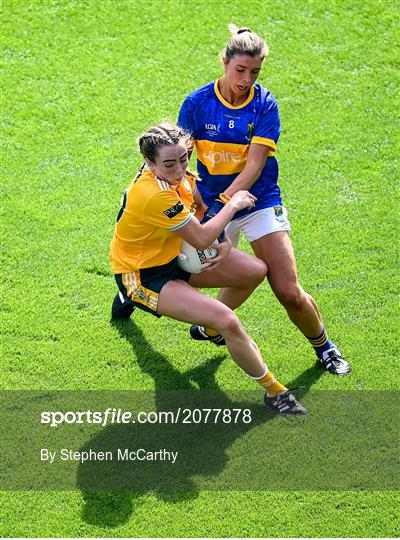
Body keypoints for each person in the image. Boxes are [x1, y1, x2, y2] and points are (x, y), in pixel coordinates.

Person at [177, 24, 351, 376]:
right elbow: (179, 162)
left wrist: (227, 204)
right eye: (240, 70)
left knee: (287, 289)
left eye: (254, 72)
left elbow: (255, 166)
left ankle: (325, 348)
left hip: (257, 200)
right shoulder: (197, 104)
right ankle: (147, 298)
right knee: (194, 271)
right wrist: (200, 203)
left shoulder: (264, 105)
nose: (246, 79)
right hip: (213, 204)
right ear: (224, 62)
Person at [109, 123, 307, 414]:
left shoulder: (179, 176)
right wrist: (234, 204)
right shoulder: (153, 194)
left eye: (183, 158)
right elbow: (201, 237)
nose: (179, 168)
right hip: (144, 275)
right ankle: (275, 392)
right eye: (169, 163)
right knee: (229, 321)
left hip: (174, 255)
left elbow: (199, 208)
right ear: (150, 163)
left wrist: (224, 239)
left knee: (254, 271)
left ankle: (207, 328)